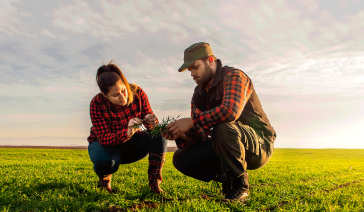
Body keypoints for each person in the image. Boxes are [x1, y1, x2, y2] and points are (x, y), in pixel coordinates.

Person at [163, 42, 276, 201]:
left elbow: (230, 111)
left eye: (195, 67)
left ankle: (238, 189)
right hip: (224, 144)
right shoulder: (198, 94)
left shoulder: (234, 76)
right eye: (190, 70)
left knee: (222, 127)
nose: (192, 74)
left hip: (258, 145)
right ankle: (230, 178)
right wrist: (180, 134)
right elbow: (199, 133)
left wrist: (192, 121)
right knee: (181, 158)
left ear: (210, 60)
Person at [87, 61, 167, 194]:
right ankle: (104, 182)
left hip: (131, 145)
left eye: (123, 90)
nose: (123, 97)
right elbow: (104, 139)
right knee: (106, 161)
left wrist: (152, 120)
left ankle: (155, 184)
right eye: (115, 95)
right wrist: (127, 132)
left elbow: (149, 121)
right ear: (105, 96)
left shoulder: (137, 92)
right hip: (105, 145)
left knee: (158, 135)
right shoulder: (96, 104)